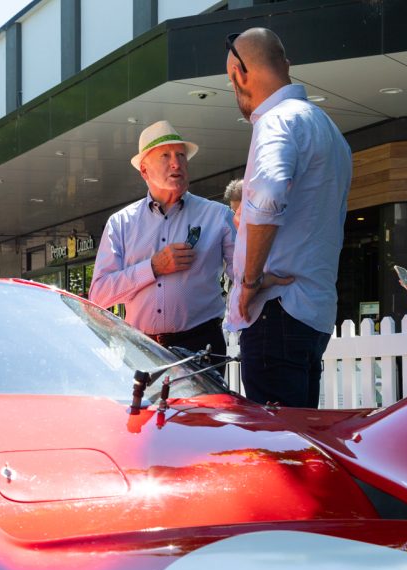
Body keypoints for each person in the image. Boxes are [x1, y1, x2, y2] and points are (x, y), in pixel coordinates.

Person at [225, 28, 352, 408]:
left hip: (276, 310)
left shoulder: (277, 120)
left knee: (280, 452)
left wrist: (248, 281)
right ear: (286, 65)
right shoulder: (328, 128)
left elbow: (266, 197)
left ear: (239, 74)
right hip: (312, 313)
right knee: (300, 444)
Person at [88, 120, 234, 358]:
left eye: (181, 155)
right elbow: (99, 295)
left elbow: (245, 276)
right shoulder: (121, 223)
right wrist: (153, 267)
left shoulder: (218, 216)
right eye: (165, 155)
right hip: (140, 349)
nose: (176, 163)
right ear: (144, 170)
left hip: (202, 346)